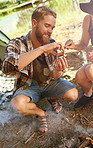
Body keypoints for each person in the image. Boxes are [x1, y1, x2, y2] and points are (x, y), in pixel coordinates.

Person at [2, 6, 78, 134]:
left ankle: (52, 97)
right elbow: (7, 67)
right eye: (47, 26)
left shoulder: (51, 42)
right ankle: (41, 113)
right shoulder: (17, 43)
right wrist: (41, 49)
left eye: (52, 28)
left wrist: (58, 70)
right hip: (28, 87)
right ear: (34, 23)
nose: (50, 31)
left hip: (48, 84)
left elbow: (54, 76)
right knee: (17, 104)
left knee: (73, 94)